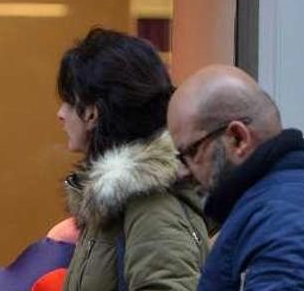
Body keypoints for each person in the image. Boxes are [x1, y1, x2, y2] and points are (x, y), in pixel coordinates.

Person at [57, 29, 208, 291]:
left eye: (68, 102)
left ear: (92, 113)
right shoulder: (116, 200)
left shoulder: (149, 203)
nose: (60, 114)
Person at [167, 65, 304, 290]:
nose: (184, 172)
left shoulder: (281, 221)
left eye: (192, 152)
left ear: (238, 139)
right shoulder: (280, 207)